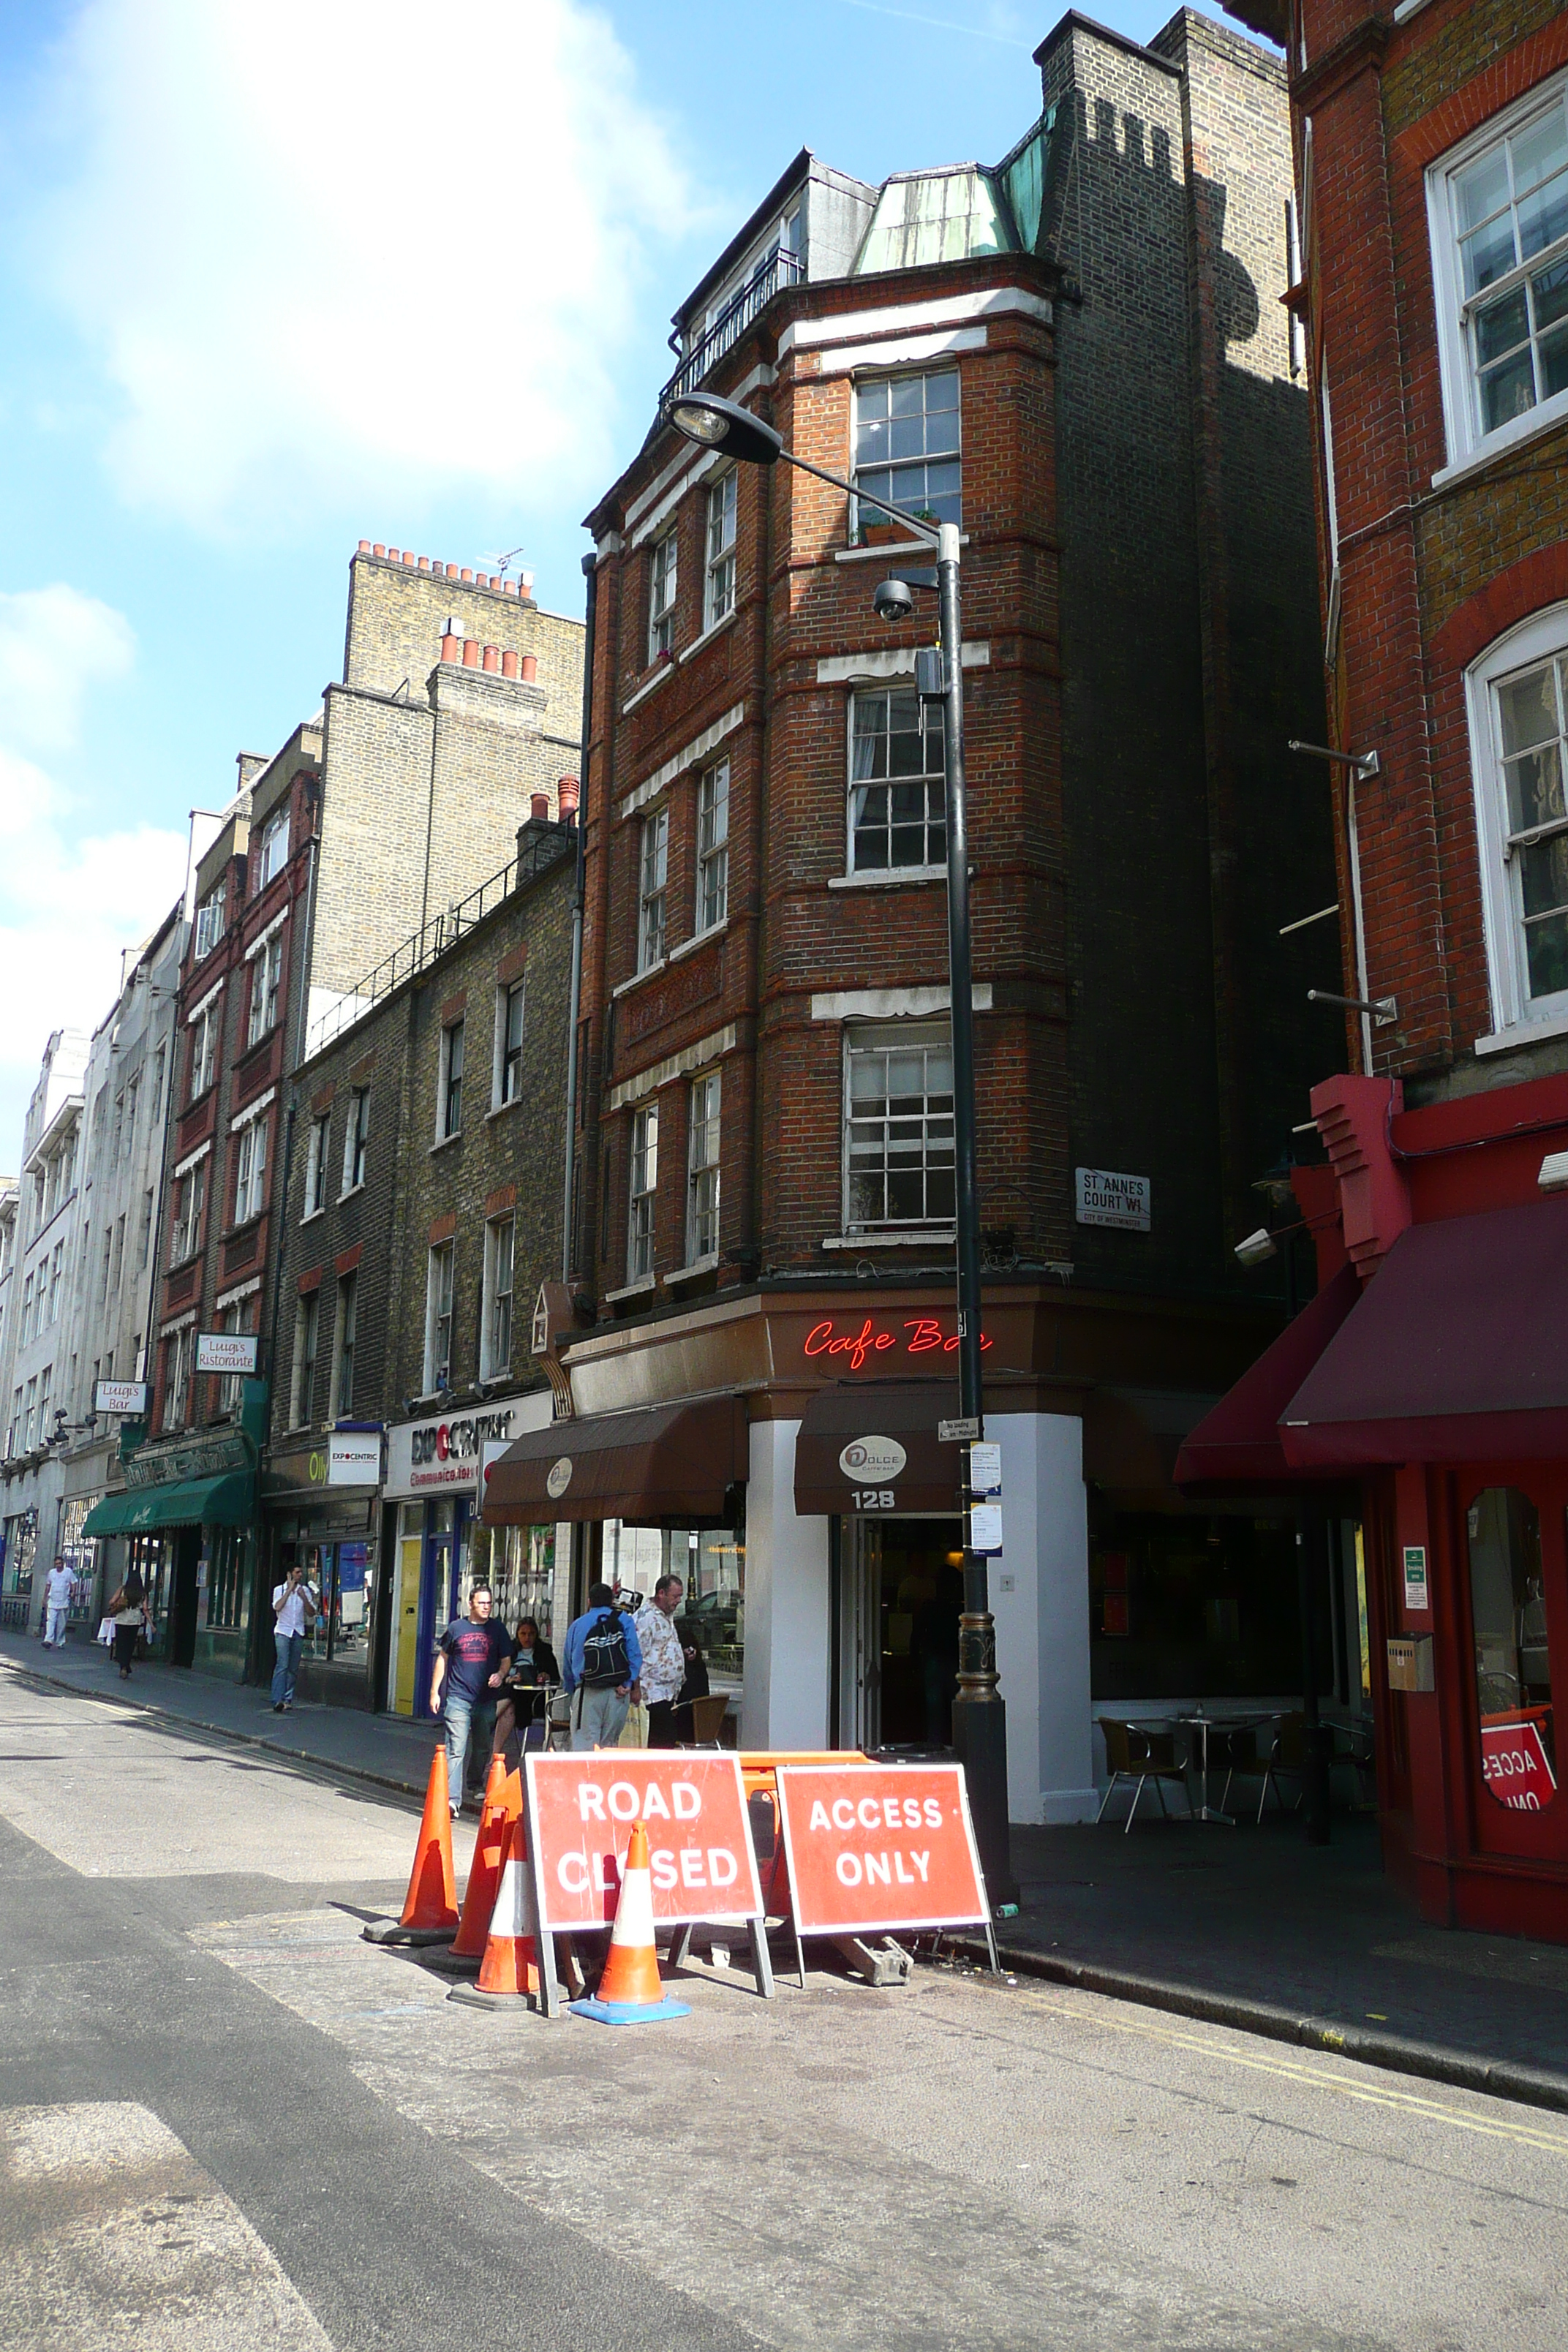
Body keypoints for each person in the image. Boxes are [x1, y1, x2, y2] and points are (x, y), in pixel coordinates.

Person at [430, 1582, 514, 1814]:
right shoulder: (457, 1628)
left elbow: (506, 1660)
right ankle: (452, 1801)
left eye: (489, 1603)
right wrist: (434, 1691)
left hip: (485, 1699)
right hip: (458, 1698)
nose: (486, 1607)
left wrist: (500, 1674)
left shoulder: (498, 1630)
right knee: (456, 1748)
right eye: (482, 1603)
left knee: (481, 1747)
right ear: (470, 1604)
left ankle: (475, 1782)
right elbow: (443, 1659)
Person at [562, 1580, 641, 1751]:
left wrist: (572, 1691)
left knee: (585, 1749)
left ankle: (587, 1778)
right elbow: (635, 1656)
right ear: (612, 1601)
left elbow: (568, 1665)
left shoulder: (577, 1625)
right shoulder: (625, 1621)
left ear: (589, 1601)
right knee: (610, 1747)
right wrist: (628, 1684)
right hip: (617, 1693)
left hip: (587, 1692)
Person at [634, 1575, 690, 1749]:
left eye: (680, 1596)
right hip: (651, 1693)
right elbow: (635, 1656)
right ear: (661, 1593)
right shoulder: (646, 1618)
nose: (679, 1601)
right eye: (675, 1596)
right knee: (662, 1741)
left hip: (668, 1693)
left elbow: (660, 1646)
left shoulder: (666, 1615)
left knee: (667, 1739)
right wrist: (635, 1689)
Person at [493, 1617, 561, 1757]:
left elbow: (556, 1678)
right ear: (517, 1634)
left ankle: (492, 1716)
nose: (527, 1638)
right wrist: (509, 1678)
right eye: (523, 1634)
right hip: (514, 1699)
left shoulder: (545, 1651)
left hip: (536, 1700)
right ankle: (495, 1755)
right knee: (509, 1705)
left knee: (511, 1697)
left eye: (531, 1634)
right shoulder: (510, 1651)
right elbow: (499, 1675)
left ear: (536, 1635)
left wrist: (545, 1676)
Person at [271, 1560, 317, 1713]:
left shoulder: (304, 1590)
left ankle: (287, 1699)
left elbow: (312, 1612)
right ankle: (277, 1699)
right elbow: (277, 1607)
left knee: (293, 1668)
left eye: (301, 1572)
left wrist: (304, 1597)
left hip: (298, 1631)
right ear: (289, 1574)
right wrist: (288, 1591)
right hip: (283, 1631)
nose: (300, 1575)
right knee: (282, 1665)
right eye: (297, 1572)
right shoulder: (279, 1589)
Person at [106, 1571, 145, 1681]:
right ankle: (126, 1664)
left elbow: (111, 1601)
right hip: (134, 1621)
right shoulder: (142, 1592)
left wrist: (117, 1603)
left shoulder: (122, 1589)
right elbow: (146, 1608)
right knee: (130, 1644)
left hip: (122, 1620)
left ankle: (123, 1666)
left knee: (121, 1643)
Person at [42, 1555, 75, 1649]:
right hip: (52, 1600)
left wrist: (73, 1592)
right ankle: (48, 1640)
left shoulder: (68, 1572)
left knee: (62, 1623)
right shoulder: (51, 1573)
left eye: (60, 1563)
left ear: (63, 1563)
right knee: (51, 1621)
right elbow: (48, 1585)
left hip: (64, 1600)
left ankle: (60, 1642)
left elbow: (74, 1582)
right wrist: (44, 1598)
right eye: (56, 1564)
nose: (58, 1565)